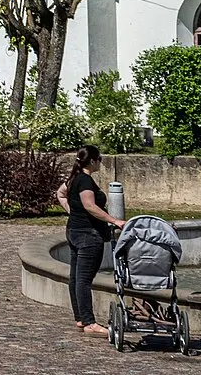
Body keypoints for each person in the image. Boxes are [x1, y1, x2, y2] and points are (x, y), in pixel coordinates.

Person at [58, 144, 127, 336]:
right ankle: (89, 322)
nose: (101, 162)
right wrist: (115, 220)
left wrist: (73, 212)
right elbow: (89, 205)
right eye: (100, 159)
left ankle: (80, 318)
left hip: (74, 231)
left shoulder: (74, 178)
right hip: (88, 235)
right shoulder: (85, 181)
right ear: (93, 161)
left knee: (75, 278)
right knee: (84, 280)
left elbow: (60, 194)